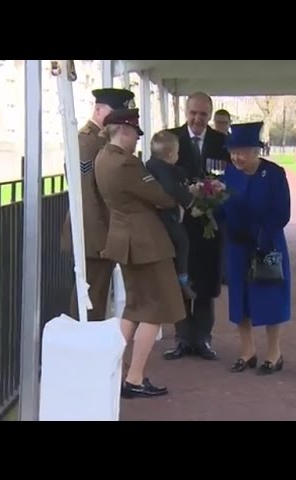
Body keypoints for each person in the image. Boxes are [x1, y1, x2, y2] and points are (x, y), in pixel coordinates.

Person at [94, 108, 186, 399]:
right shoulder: (126, 164)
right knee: (155, 310)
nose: (136, 140)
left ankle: (112, 371)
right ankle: (134, 377)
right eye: (134, 133)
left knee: (133, 308)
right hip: (146, 243)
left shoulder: (102, 158)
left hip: (125, 240)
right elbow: (161, 196)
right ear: (123, 130)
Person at [217, 122, 291, 375]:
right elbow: (222, 206)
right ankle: (247, 352)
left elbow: (282, 212)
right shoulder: (229, 173)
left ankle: (274, 353)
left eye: (243, 152)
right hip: (237, 245)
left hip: (266, 244)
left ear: (256, 151)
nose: (237, 157)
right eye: (233, 151)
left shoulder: (274, 173)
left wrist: (259, 233)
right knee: (240, 299)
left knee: (270, 297)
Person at [163, 91, 231, 361]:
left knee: (206, 282)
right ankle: (182, 338)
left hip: (209, 225)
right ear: (186, 112)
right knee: (180, 280)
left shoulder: (222, 142)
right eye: (193, 113)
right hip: (179, 223)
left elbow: (229, 180)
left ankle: (202, 338)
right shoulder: (171, 139)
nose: (197, 119)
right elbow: (161, 176)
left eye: (203, 114)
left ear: (209, 115)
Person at [60, 87, 136, 321]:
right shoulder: (87, 141)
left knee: (98, 294)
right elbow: (86, 194)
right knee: (90, 297)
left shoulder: (99, 139)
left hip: (101, 231)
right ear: (100, 110)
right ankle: (83, 348)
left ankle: (89, 345)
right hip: (93, 234)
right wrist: (101, 239)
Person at [145, 130, 197, 299]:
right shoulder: (164, 169)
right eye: (177, 152)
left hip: (156, 217)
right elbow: (171, 188)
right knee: (183, 242)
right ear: (170, 154)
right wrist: (189, 200)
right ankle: (182, 277)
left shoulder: (150, 164)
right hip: (166, 216)